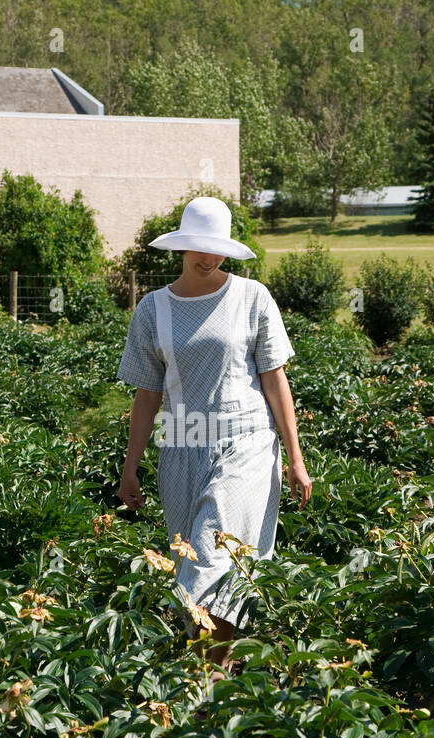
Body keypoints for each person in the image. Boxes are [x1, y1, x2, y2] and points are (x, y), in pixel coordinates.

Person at [116, 196, 312, 690]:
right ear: (181, 248)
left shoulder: (253, 297)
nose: (210, 258)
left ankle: (209, 678)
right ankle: (217, 678)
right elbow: (147, 394)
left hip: (245, 441)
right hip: (181, 447)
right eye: (200, 248)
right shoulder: (153, 309)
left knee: (212, 554)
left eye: (218, 249)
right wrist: (130, 467)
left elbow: (274, 379)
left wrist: (295, 457)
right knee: (196, 562)